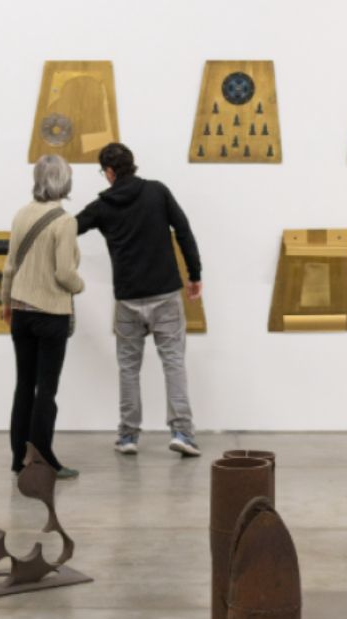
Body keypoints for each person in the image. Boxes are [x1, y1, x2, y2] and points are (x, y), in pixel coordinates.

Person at [76, 142, 203, 457]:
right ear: (132, 164)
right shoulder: (157, 192)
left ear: (108, 172)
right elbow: (184, 231)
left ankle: (129, 436)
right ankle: (183, 434)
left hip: (128, 300)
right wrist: (194, 274)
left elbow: (69, 229)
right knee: (173, 363)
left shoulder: (102, 206)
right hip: (165, 295)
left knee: (128, 368)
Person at [0, 154, 85, 479]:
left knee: (24, 385)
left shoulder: (21, 214)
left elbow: (9, 265)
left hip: (20, 312)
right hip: (51, 315)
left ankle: (19, 457)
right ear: (64, 180)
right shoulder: (65, 221)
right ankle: (43, 458)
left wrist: (7, 301)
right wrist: (81, 284)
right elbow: (64, 273)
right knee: (46, 391)